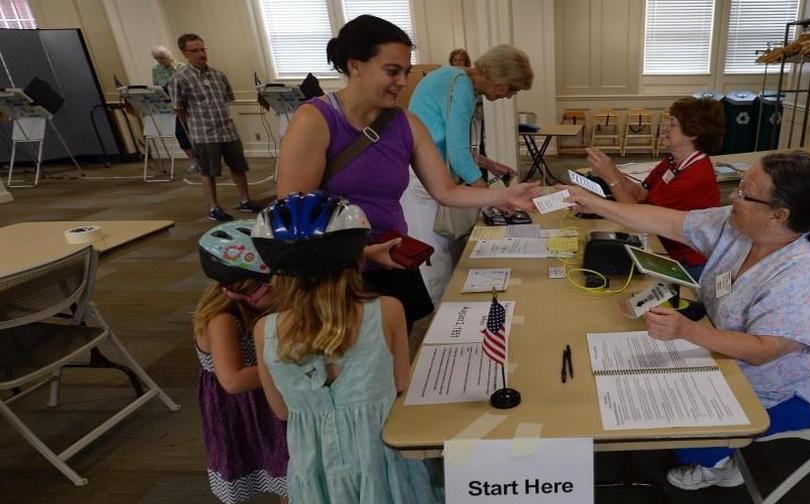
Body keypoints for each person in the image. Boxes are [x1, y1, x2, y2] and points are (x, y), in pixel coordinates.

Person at [565, 151, 810, 490]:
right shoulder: (739, 225)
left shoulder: (808, 273)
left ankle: (720, 467)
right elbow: (667, 222)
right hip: (726, 356)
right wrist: (596, 204)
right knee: (646, 390)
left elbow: (763, 350)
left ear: (778, 215)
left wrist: (688, 331)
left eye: (745, 193)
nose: (733, 195)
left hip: (786, 389)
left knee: (681, 436)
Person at [250, 194, 447, 504]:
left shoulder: (265, 331)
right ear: (355, 257)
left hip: (316, 451)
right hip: (383, 447)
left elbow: (280, 410)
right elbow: (401, 386)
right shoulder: (387, 312)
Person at [274, 16, 537, 330]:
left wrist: (503, 195)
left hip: (392, 258)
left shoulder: (406, 123)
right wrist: (360, 252)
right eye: (392, 71)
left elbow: (446, 191)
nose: (402, 82)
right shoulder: (314, 120)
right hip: (334, 273)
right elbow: (295, 217)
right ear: (355, 65)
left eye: (406, 72)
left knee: (396, 357)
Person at [401, 44, 534, 304]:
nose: (509, 96)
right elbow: (457, 152)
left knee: (449, 249)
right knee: (435, 258)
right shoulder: (460, 86)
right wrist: (494, 198)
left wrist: (489, 164)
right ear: (499, 78)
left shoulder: (456, 79)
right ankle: (439, 324)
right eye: (512, 88)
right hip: (422, 177)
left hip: (430, 170)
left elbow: (450, 144)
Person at [193, 222, 288, 504]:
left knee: (287, 464)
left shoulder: (249, 310)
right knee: (281, 461)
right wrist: (288, 365)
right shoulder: (223, 320)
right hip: (244, 406)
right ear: (248, 288)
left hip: (264, 397)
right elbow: (232, 380)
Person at [586, 96, 725, 278]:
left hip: (684, 262)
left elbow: (640, 221)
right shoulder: (673, 160)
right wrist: (612, 168)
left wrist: (611, 178)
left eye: (673, 124)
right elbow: (641, 193)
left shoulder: (695, 175)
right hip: (660, 244)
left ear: (692, 133)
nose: (666, 128)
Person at [169, 33, 261, 222]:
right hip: (204, 134)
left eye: (203, 49)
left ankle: (245, 201)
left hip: (227, 130)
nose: (201, 54)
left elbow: (227, 100)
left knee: (238, 167)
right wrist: (192, 133)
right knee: (208, 171)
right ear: (185, 53)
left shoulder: (218, 75)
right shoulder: (180, 78)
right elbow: (180, 109)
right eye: (194, 51)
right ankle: (214, 208)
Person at [150, 44, 197, 173]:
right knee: (181, 135)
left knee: (193, 133)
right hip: (170, 106)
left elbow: (189, 87)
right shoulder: (156, 70)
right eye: (157, 58)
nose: (160, 60)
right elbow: (155, 86)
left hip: (186, 106)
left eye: (162, 57)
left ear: (169, 55)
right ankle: (193, 160)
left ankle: (203, 159)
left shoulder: (182, 67)